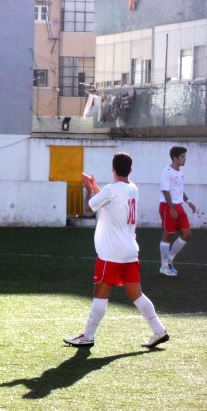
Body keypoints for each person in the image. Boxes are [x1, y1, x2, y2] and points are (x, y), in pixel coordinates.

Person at [63, 152, 169, 348]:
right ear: (130, 170)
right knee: (136, 294)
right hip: (130, 252)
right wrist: (96, 188)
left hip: (112, 253)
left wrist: (88, 189)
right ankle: (159, 330)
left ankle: (88, 336)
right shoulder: (132, 188)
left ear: (113, 169)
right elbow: (109, 200)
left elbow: (89, 207)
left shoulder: (111, 190)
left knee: (100, 292)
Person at [158, 146, 196, 276]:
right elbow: (165, 191)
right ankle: (164, 267)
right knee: (168, 235)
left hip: (178, 206)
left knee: (187, 234)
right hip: (168, 206)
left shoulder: (179, 172)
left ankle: (169, 260)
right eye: (183, 156)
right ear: (175, 158)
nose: (185, 159)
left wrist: (189, 202)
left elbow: (179, 190)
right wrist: (172, 209)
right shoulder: (166, 172)